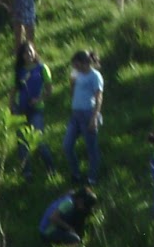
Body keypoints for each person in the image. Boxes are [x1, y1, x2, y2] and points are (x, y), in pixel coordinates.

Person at [12, 40, 54, 178]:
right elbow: (13, 91)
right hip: (20, 109)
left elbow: (49, 90)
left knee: (38, 140)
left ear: (34, 52)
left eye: (30, 51)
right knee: (22, 143)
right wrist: (11, 107)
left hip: (36, 109)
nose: (29, 55)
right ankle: (27, 172)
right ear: (21, 56)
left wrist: (39, 99)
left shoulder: (42, 68)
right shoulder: (19, 71)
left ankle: (50, 167)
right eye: (25, 53)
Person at [63, 49, 103, 185]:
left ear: (82, 63)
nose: (74, 67)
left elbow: (99, 97)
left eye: (75, 64)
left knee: (91, 147)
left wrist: (94, 117)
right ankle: (76, 173)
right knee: (67, 146)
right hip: (76, 113)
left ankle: (92, 176)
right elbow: (72, 91)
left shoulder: (95, 76)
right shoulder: (76, 74)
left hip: (88, 113)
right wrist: (72, 82)